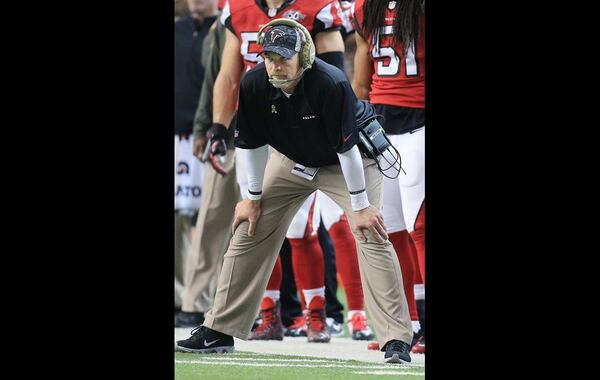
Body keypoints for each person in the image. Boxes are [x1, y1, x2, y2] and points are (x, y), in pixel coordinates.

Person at [176, 19, 413, 363]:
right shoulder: (255, 82)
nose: (275, 64)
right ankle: (218, 329)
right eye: (269, 57)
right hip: (292, 160)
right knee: (248, 226)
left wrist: (360, 205)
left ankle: (395, 338)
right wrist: (252, 199)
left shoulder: (330, 82)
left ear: (304, 56)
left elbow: (346, 150)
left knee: (370, 232)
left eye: (283, 57)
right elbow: (251, 144)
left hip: (350, 161)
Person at [178, 0, 347, 329]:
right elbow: (228, 76)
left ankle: (315, 315)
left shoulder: (317, 7)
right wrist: (216, 126)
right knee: (254, 225)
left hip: (301, 129)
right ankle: (267, 315)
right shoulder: (237, 8)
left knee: (301, 229)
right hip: (254, 131)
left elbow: (334, 76)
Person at [352, 0, 426, 353]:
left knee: (420, 226)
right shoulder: (366, 6)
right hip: (380, 124)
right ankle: (406, 323)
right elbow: (363, 67)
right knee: (392, 228)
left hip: (419, 119)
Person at [174, 0, 219, 317]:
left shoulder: (223, 31)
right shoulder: (178, 30)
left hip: (207, 137)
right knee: (178, 222)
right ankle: (180, 297)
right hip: (176, 137)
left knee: (209, 222)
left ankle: (206, 298)